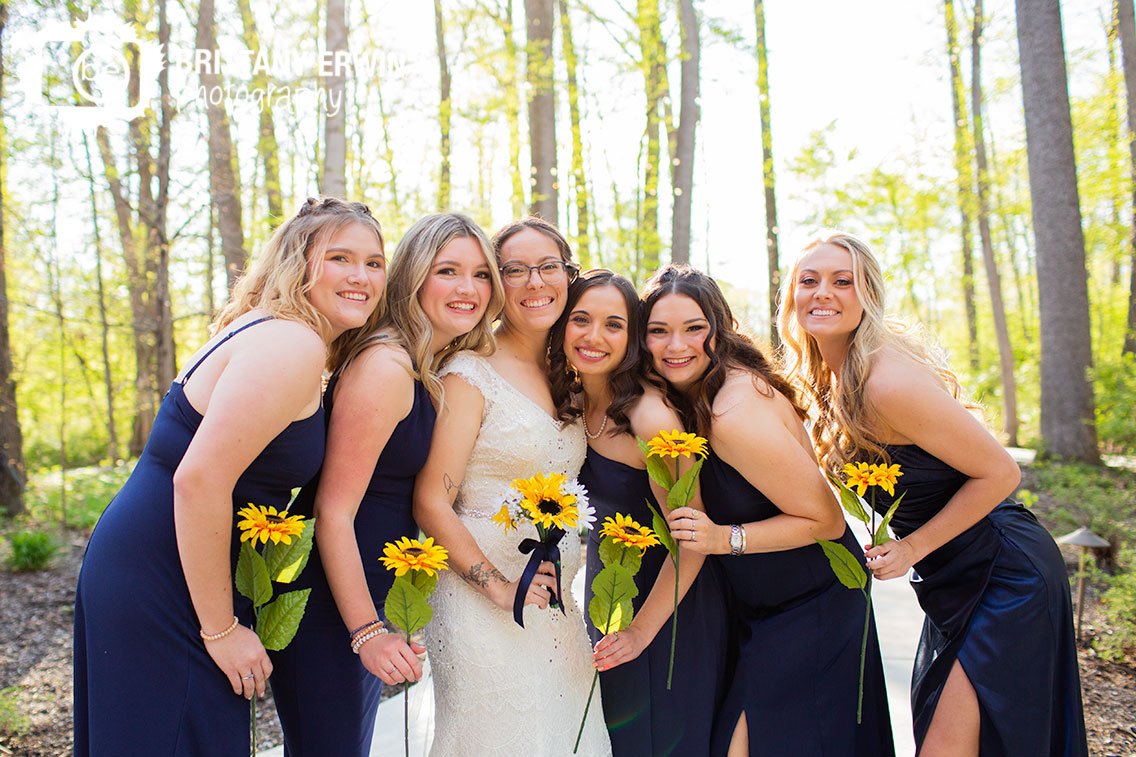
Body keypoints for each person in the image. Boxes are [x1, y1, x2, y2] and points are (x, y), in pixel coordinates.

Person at [73, 198, 387, 756]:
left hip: (156, 557)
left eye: (374, 262)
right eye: (341, 258)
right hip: (167, 573)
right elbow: (197, 479)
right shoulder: (291, 343)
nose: (361, 276)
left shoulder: (272, 329)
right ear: (299, 262)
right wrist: (220, 630)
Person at [780, 232, 1087, 756]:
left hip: (1005, 572)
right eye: (809, 281)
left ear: (867, 295)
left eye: (841, 281)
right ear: (791, 296)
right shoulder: (827, 381)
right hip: (951, 581)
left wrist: (911, 548)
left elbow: (1000, 473)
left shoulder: (885, 382)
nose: (822, 292)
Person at [268, 213, 503, 756]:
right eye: (448, 271)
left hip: (362, 598)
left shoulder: (422, 363)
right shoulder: (386, 365)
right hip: (327, 606)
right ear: (415, 278)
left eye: (480, 274)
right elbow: (333, 511)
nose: (468, 288)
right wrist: (366, 629)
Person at [643, 264, 894, 757]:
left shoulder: (732, 411)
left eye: (694, 328)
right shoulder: (694, 395)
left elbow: (825, 519)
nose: (677, 345)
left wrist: (722, 539)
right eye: (658, 331)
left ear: (720, 328)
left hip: (813, 601)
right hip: (765, 606)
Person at [413, 217, 612, 756]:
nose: (534, 282)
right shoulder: (469, 372)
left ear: (568, 276)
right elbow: (432, 499)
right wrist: (496, 584)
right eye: (515, 270)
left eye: (549, 267)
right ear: (497, 286)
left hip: (555, 603)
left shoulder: (570, 371)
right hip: (481, 604)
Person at [548, 269, 728, 755]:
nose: (593, 336)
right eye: (581, 319)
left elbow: (693, 538)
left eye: (614, 325)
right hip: (609, 595)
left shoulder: (649, 420)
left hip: (665, 611)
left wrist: (640, 633)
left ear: (631, 339)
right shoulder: (577, 398)